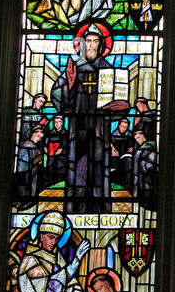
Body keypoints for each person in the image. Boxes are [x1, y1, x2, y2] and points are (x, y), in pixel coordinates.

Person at [50, 22, 123, 212]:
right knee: (78, 169)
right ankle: (76, 208)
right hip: (79, 128)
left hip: (100, 129)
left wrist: (121, 107)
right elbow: (58, 99)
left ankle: (101, 208)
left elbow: (119, 102)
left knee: (100, 169)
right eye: (87, 41)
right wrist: (71, 84)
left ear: (102, 45)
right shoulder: (74, 69)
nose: (91, 45)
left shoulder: (108, 70)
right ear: (81, 45)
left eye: (95, 41)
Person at [14, 127, 45, 207]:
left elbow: (38, 162)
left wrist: (39, 160)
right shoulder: (25, 145)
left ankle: (24, 202)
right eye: (38, 136)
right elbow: (23, 159)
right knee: (22, 186)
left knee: (26, 187)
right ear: (33, 134)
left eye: (41, 138)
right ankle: (22, 202)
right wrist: (35, 160)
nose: (39, 139)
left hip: (29, 172)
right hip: (22, 170)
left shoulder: (35, 148)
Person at [130, 128, 157, 211]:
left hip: (149, 174)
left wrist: (144, 167)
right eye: (136, 139)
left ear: (143, 136)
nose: (137, 140)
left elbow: (152, 160)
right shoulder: (142, 148)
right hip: (143, 174)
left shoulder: (149, 146)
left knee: (148, 190)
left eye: (138, 137)